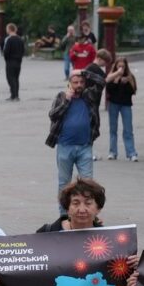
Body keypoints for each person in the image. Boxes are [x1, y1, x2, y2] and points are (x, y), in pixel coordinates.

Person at [47, 71, 101, 200]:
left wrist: (83, 72)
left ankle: (87, 213)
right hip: (65, 147)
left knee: (88, 183)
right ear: (69, 84)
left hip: (85, 147)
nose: (79, 85)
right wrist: (67, 100)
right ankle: (64, 215)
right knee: (64, 183)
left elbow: (101, 81)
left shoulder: (89, 96)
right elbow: (53, 115)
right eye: (75, 82)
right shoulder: (61, 96)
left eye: (82, 82)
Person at [104, 56, 138, 161]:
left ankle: (131, 152)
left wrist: (128, 82)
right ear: (116, 66)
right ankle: (112, 152)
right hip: (113, 104)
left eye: (123, 66)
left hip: (126, 104)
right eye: (119, 66)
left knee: (128, 129)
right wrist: (116, 81)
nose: (121, 68)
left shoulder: (129, 76)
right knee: (113, 129)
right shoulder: (112, 76)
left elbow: (133, 91)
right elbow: (108, 91)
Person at [1, 23, 25, 101]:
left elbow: (6, 51)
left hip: (10, 61)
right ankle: (15, 95)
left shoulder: (9, 39)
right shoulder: (20, 39)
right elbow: (23, 51)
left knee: (10, 78)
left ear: (9, 29)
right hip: (18, 61)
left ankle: (14, 95)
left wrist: (6, 59)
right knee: (16, 78)